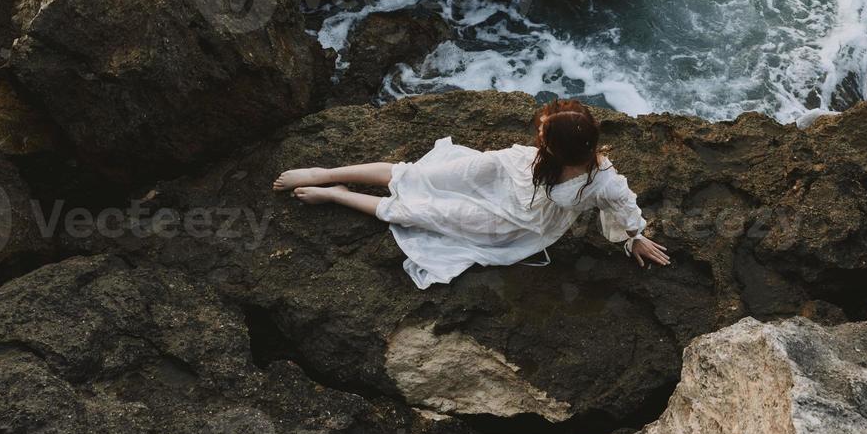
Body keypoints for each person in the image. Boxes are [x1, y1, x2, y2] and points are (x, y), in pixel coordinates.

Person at [271, 99, 671, 288]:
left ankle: (337, 194)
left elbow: (625, 205)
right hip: (500, 171)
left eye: (543, 133)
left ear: (556, 148)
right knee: (417, 175)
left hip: (516, 222)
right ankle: (325, 173)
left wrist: (634, 237)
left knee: (420, 212)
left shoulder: (602, 181)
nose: (537, 132)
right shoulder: (533, 156)